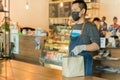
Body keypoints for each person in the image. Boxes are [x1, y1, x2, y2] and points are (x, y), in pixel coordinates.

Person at [69, 0, 100, 76]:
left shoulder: (90, 26)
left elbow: (96, 45)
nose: (73, 12)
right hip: (73, 64)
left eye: (75, 10)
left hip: (85, 65)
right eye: (72, 10)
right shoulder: (73, 27)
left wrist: (82, 47)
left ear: (82, 11)